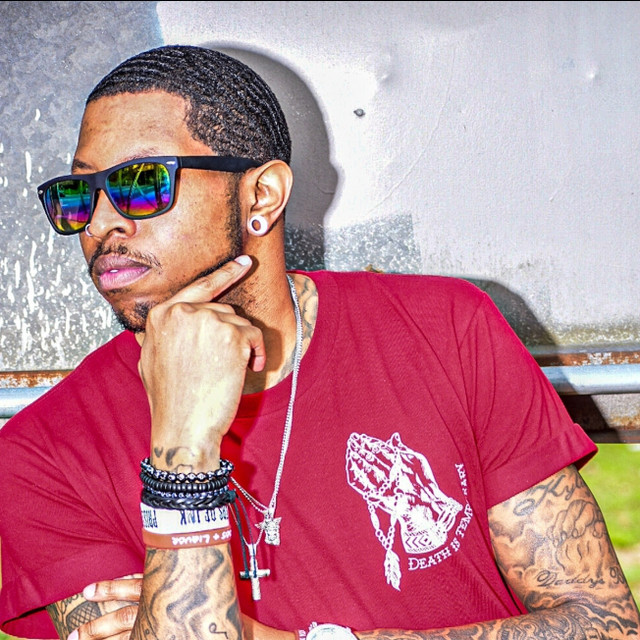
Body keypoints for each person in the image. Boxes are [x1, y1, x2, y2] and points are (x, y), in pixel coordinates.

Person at [0, 44, 638, 640]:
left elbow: (604, 625)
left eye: (141, 182)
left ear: (262, 194)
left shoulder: (446, 328)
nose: (100, 223)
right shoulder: (41, 452)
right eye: (77, 194)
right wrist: (183, 453)